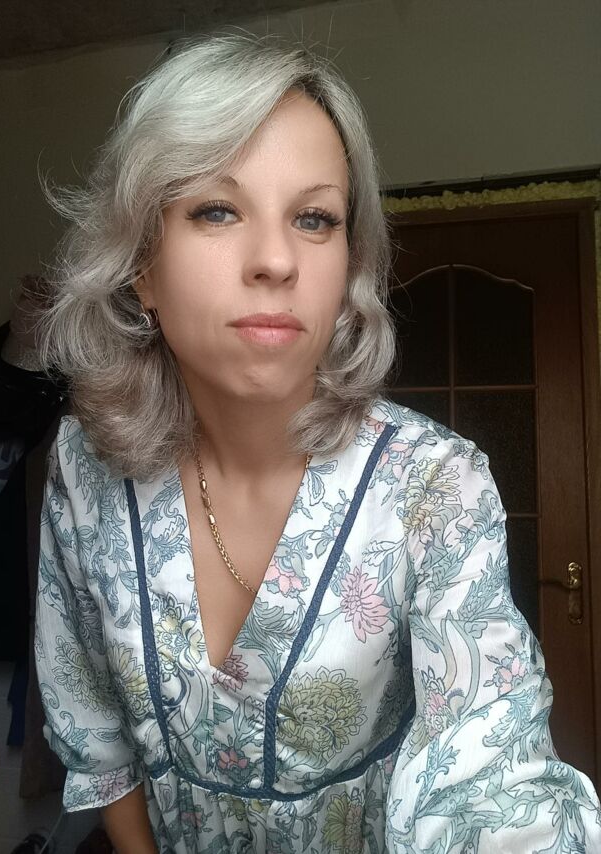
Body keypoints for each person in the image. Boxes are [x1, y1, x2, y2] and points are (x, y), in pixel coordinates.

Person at [34, 31, 601, 853]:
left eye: (314, 218)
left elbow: (490, 779)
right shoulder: (84, 469)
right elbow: (93, 730)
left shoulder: (434, 487)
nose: (276, 259)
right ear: (142, 267)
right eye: (216, 209)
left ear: (347, 270)